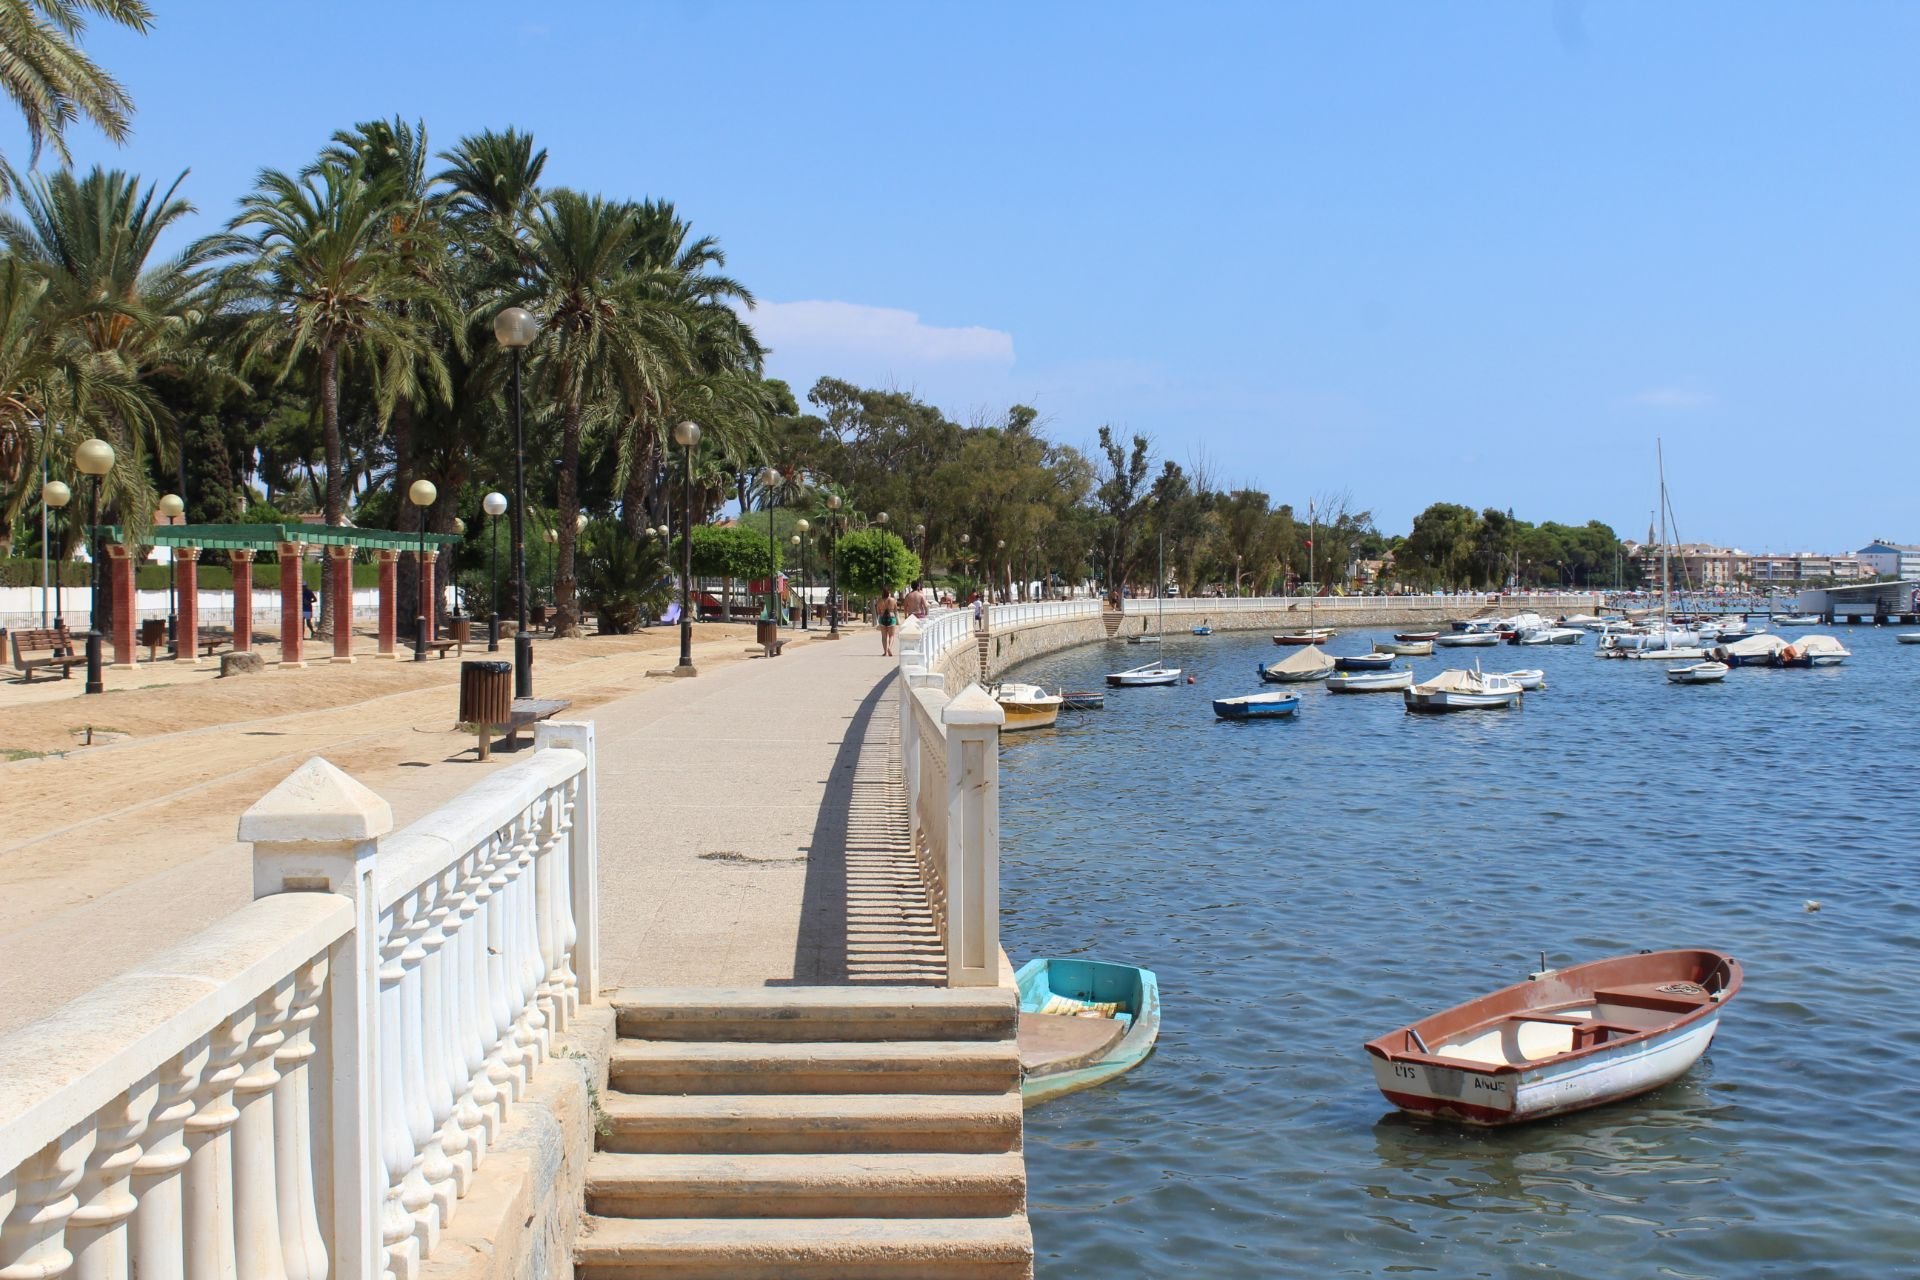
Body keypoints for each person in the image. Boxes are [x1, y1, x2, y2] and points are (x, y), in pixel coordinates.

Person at [874, 590, 900, 656]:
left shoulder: (879, 601)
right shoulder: (893, 600)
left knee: (884, 636)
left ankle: (885, 652)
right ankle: (889, 648)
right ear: (889, 593)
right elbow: (895, 610)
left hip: (882, 618)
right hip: (891, 618)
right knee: (891, 635)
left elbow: (878, 611)